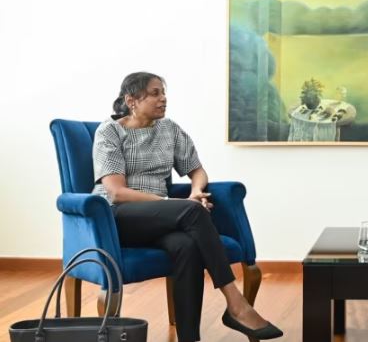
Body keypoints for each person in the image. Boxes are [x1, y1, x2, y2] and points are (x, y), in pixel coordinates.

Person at [91, 72, 283, 342]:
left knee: (186, 245)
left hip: (160, 218)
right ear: (131, 100)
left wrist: (196, 191)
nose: (163, 99)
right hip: (118, 217)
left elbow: (197, 170)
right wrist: (176, 204)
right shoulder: (110, 131)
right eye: (155, 93)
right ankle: (235, 303)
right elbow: (117, 192)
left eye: (163, 92)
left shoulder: (168, 129)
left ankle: (189, 338)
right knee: (192, 211)